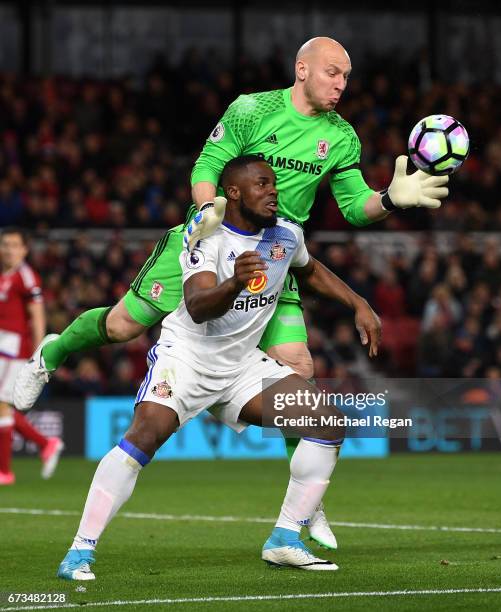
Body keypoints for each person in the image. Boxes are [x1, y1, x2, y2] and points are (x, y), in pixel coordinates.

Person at [15, 37, 448, 545]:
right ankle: (52, 353)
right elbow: (206, 165)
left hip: (275, 257)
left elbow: (354, 207)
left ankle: (305, 508)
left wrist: (390, 200)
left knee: (299, 369)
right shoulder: (252, 109)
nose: (341, 84)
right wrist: (205, 218)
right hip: (210, 242)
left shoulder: (342, 137)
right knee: (120, 326)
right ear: (302, 69)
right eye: (333, 73)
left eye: (347, 76)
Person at [57, 156, 381, 580]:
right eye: (262, 184)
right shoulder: (207, 237)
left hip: (241, 366)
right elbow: (197, 305)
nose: (273, 191)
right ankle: (80, 552)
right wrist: (235, 283)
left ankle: (285, 539)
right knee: (142, 439)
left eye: (274, 184)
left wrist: (357, 302)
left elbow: (311, 270)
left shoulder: (286, 234)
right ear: (234, 193)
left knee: (326, 423)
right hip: (186, 359)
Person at [0, 227, 63, 484]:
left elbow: (37, 316)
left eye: (14, 245)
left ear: (24, 249)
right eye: (5, 244)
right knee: (1, 407)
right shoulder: (5, 274)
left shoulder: (26, 277)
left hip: (15, 351)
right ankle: (46, 443)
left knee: (2, 405)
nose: (8, 249)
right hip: (2, 347)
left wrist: (38, 354)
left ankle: (5, 472)